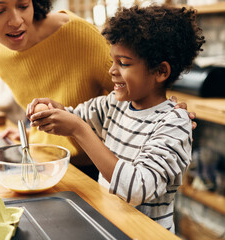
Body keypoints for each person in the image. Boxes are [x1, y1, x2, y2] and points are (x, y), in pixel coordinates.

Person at [0, 0, 196, 181]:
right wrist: (33, 124)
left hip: (97, 169)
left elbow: (139, 88)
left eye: (23, 5)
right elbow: (38, 89)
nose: (16, 20)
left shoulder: (80, 37)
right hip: (41, 159)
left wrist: (170, 109)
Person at [26, 5, 205, 232]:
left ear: (161, 71)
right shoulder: (114, 104)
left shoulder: (174, 124)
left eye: (124, 63)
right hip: (108, 224)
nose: (112, 70)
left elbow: (136, 189)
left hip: (144, 234)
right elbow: (73, 117)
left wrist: (80, 130)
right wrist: (51, 110)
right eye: (113, 61)